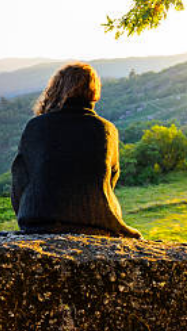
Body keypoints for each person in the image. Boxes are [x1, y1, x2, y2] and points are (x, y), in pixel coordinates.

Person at [10, 62, 141, 238]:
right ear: (94, 92)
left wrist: (30, 214)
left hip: (39, 222)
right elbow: (110, 180)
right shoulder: (107, 130)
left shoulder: (36, 126)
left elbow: (20, 180)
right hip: (98, 223)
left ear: (56, 88)